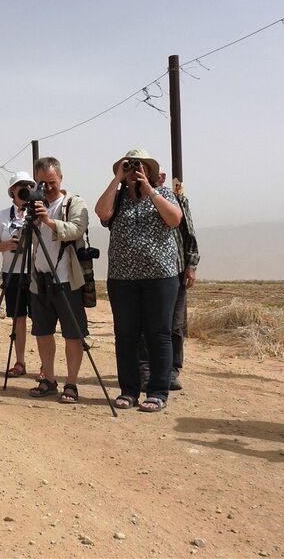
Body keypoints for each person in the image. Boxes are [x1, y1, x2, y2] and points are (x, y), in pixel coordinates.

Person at [94, 149, 183, 413]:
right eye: (130, 167)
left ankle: (158, 391)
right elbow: (102, 213)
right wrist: (118, 179)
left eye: (140, 166)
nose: (135, 171)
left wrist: (149, 189)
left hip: (160, 276)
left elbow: (174, 219)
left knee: (158, 333)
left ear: (151, 171)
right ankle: (129, 390)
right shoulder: (119, 197)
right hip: (122, 278)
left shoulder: (163, 194)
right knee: (125, 335)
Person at [24, 158, 90, 404]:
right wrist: (29, 218)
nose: (47, 188)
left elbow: (76, 229)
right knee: (42, 331)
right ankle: (48, 379)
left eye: (51, 182)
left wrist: (49, 220)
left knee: (73, 334)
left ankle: (71, 383)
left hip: (66, 280)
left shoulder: (73, 203)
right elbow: (25, 241)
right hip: (40, 280)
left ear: (60, 178)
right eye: (42, 183)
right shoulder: (35, 206)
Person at [138, 167, 200, 391]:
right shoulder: (136, 198)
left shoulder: (177, 200)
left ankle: (172, 371)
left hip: (175, 269)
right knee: (145, 325)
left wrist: (191, 265)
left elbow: (189, 233)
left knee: (174, 325)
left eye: (163, 174)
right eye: (157, 174)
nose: (161, 178)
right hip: (148, 273)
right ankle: (144, 371)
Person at [0, 171, 36, 377]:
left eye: (29, 185)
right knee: (18, 318)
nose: (25, 189)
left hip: (34, 272)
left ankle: (46, 366)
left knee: (41, 320)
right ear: (12, 190)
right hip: (12, 273)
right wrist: (7, 244)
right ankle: (20, 362)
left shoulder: (37, 212)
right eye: (21, 186)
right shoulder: (2, 215)